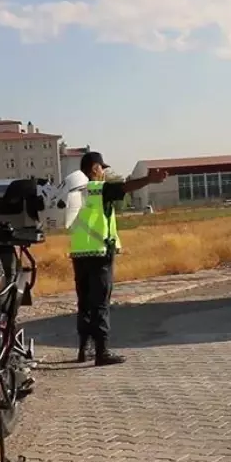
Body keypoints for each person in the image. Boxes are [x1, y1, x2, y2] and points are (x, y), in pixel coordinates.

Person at [69, 151, 167, 366]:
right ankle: (102, 352)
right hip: (100, 254)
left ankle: (83, 350)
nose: (104, 172)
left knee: (84, 303)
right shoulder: (97, 189)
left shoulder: (73, 192)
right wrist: (149, 179)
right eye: (102, 168)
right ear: (94, 168)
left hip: (78, 254)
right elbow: (124, 188)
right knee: (101, 304)